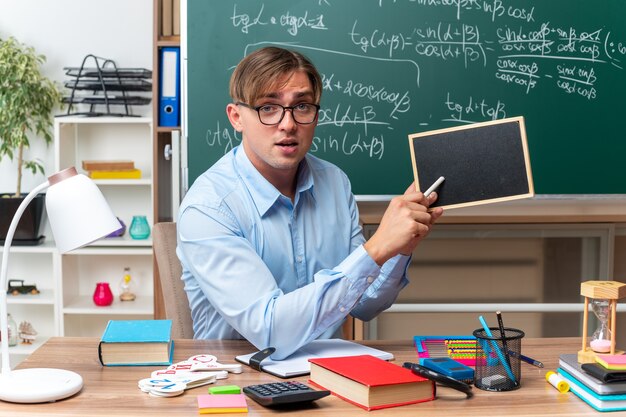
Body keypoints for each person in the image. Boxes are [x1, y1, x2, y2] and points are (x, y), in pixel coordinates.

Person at [177, 46, 443, 359]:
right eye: (268, 107)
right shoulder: (208, 207)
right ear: (237, 117)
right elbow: (270, 332)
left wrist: (401, 246)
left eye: (302, 106)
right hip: (238, 380)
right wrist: (377, 248)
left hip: (329, 374)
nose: (288, 124)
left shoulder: (334, 182)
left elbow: (366, 304)